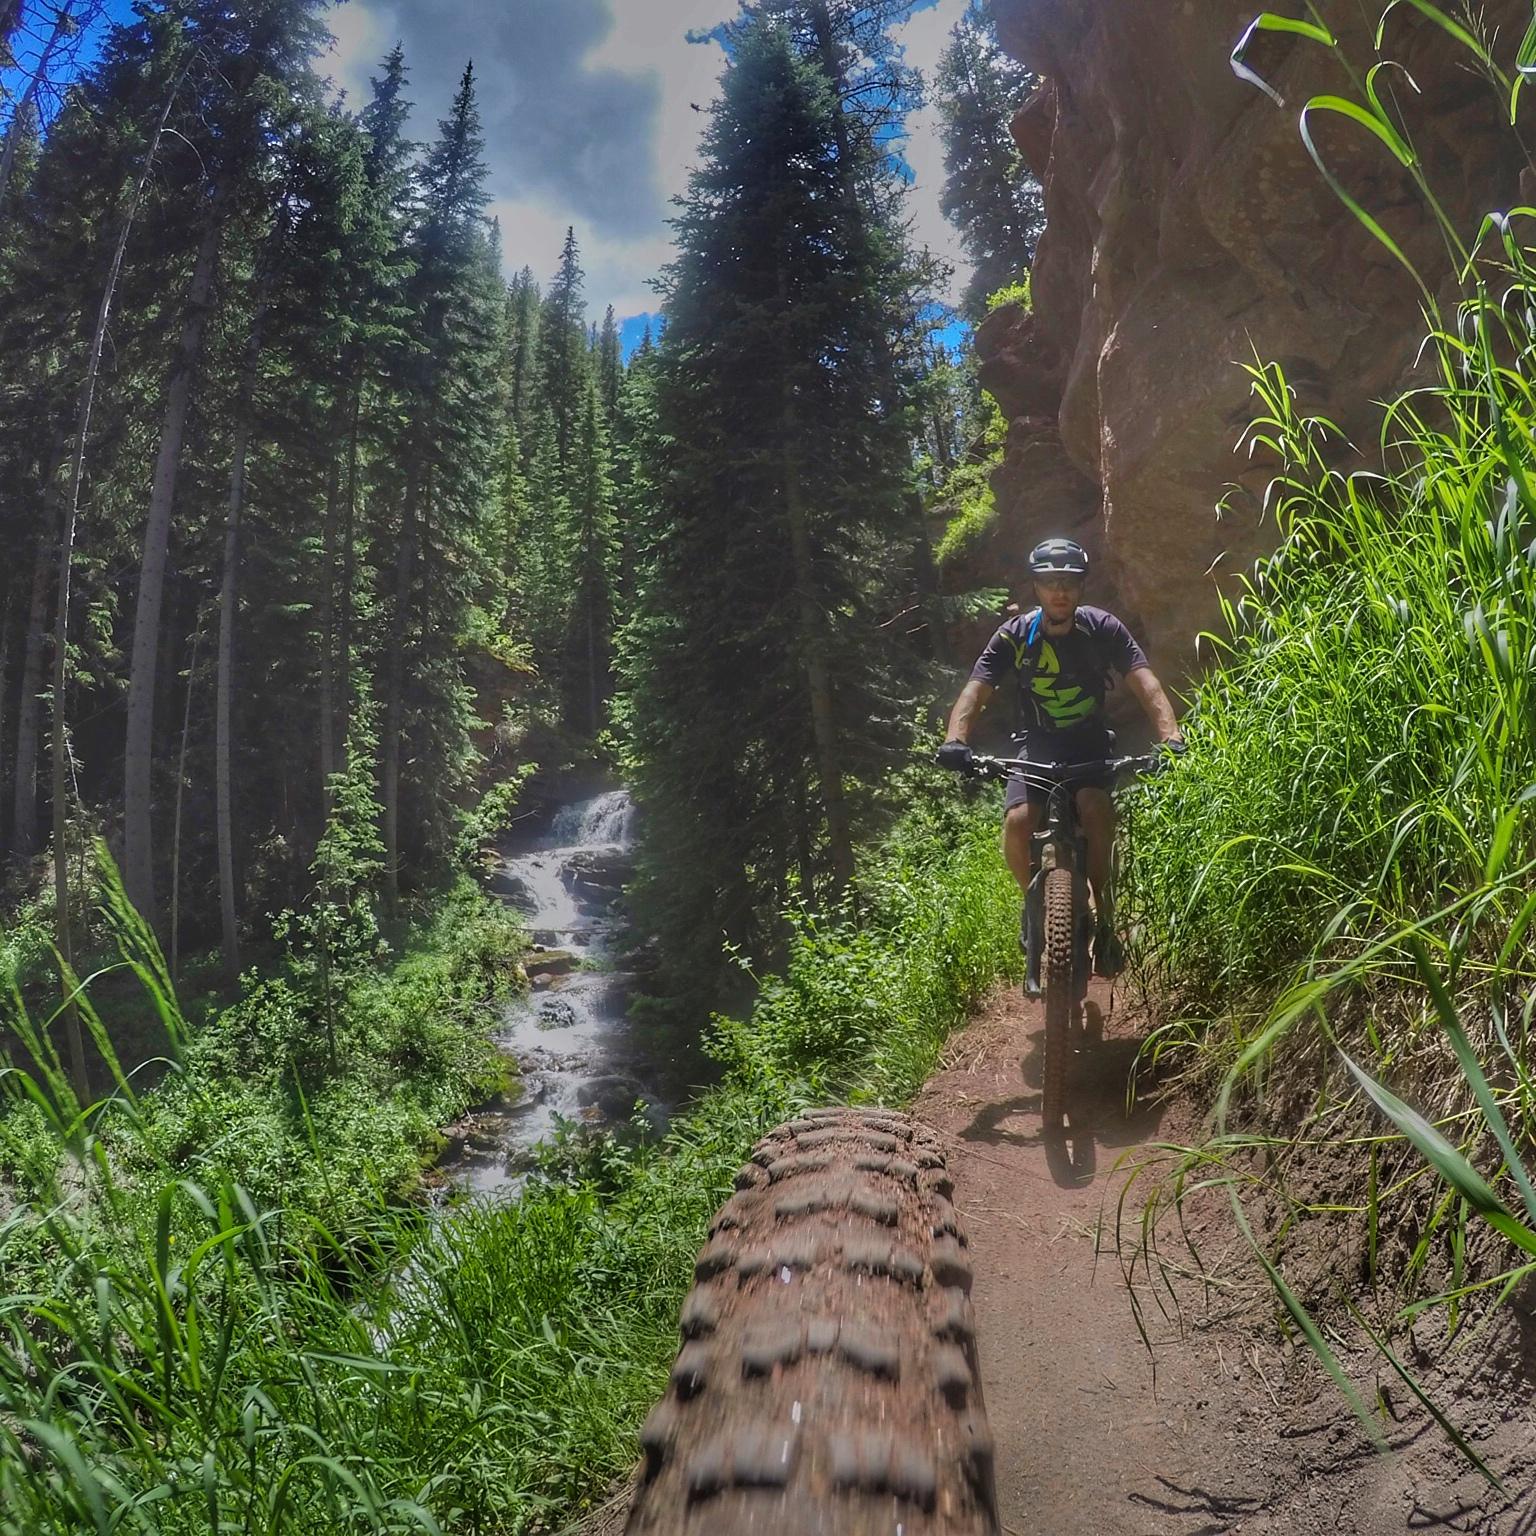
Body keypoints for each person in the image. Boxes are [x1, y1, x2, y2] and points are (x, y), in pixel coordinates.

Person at [937, 537, 1184, 979]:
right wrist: (956, 739)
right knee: (1017, 824)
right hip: (1037, 745)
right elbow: (975, 692)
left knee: (1095, 809)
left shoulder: (1102, 627)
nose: (1060, 592)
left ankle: (1105, 918)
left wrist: (1171, 736)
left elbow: (1144, 682)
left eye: (1068, 582)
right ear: (1036, 587)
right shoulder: (1015, 636)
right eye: (1050, 583)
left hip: (1089, 743)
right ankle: (1032, 909)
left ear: (1081, 586)